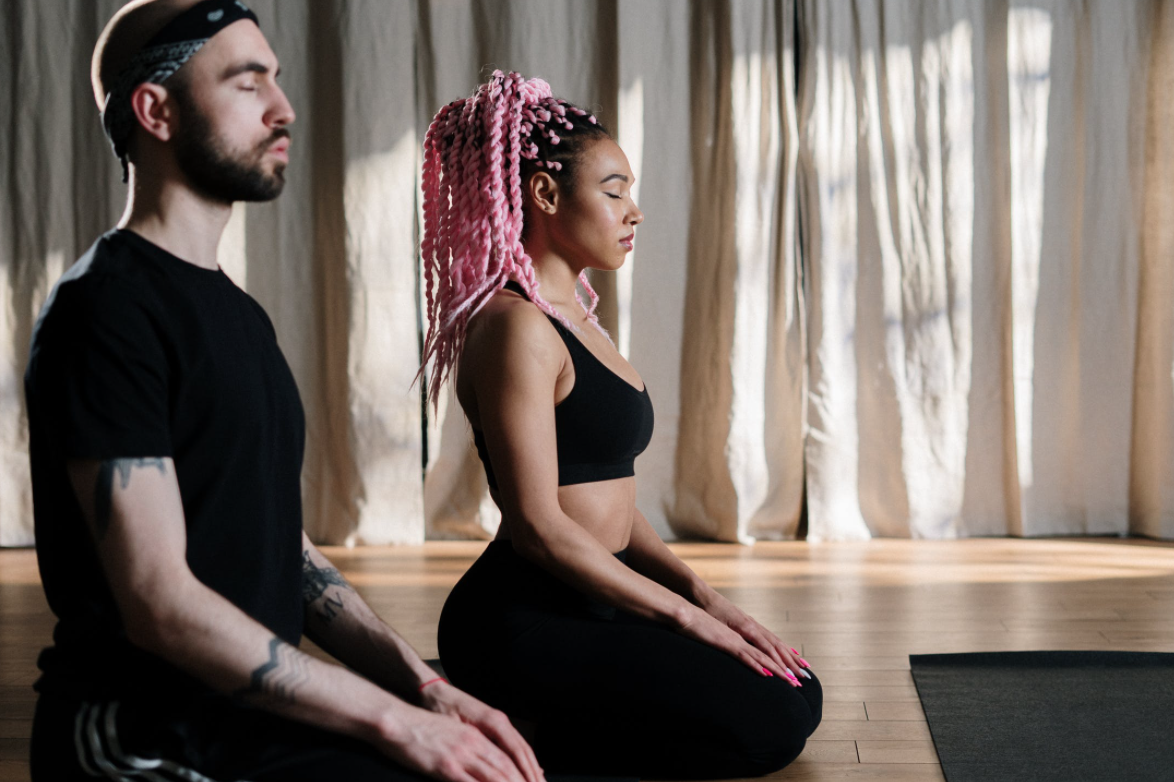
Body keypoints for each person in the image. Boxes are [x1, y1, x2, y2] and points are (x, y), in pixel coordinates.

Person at [24, 4, 543, 781]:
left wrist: (426, 688)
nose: (283, 106)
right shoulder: (106, 310)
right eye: (246, 82)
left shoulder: (239, 316)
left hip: (248, 718)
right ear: (155, 110)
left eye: (276, 77)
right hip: (143, 738)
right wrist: (395, 722)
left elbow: (284, 552)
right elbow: (160, 604)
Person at [420, 71, 823, 779]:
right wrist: (685, 621)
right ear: (545, 194)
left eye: (630, 192)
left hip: (598, 600)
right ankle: (515, 733)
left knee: (795, 688)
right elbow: (540, 525)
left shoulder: (577, 316)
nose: (634, 212)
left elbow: (610, 496)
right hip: (523, 620)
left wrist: (705, 598)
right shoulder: (517, 330)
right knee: (772, 720)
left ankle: (532, 723)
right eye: (614, 191)